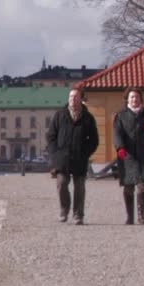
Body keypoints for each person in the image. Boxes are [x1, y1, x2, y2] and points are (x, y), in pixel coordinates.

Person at [47, 88, 99, 225]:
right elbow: (51, 136)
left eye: (75, 97)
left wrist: (85, 152)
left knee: (79, 187)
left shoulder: (88, 118)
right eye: (70, 96)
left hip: (80, 158)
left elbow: (94, 140)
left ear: (81, 99)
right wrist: (54, 153)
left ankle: (78, 215)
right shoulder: (60, 115)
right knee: (62, 184)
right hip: (62, 158)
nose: (72, 99)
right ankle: (64, 210)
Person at [113, 87, 144, 225]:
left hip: (143, 154)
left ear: (141, 99)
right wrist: (120, 147)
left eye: (137, 97)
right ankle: (130, 216)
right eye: (132, 97)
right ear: (127, 99)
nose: (135, 99)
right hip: (127, 155)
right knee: (128, 186)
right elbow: (117, 134)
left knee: (143, 184)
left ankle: (141, 215)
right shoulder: (120, 115)